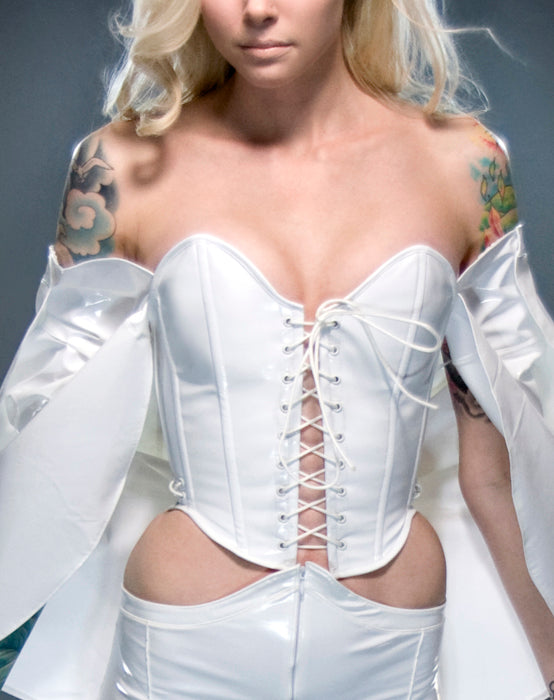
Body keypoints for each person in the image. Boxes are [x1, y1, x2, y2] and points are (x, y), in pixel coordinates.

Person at [0, 0, 553, 698]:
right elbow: (41, 424)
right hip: (183, 637)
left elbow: (508, 443)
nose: (257, 10)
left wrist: (548, 656)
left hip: (393, 639)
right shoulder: (123, 166)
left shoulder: (464, 164)